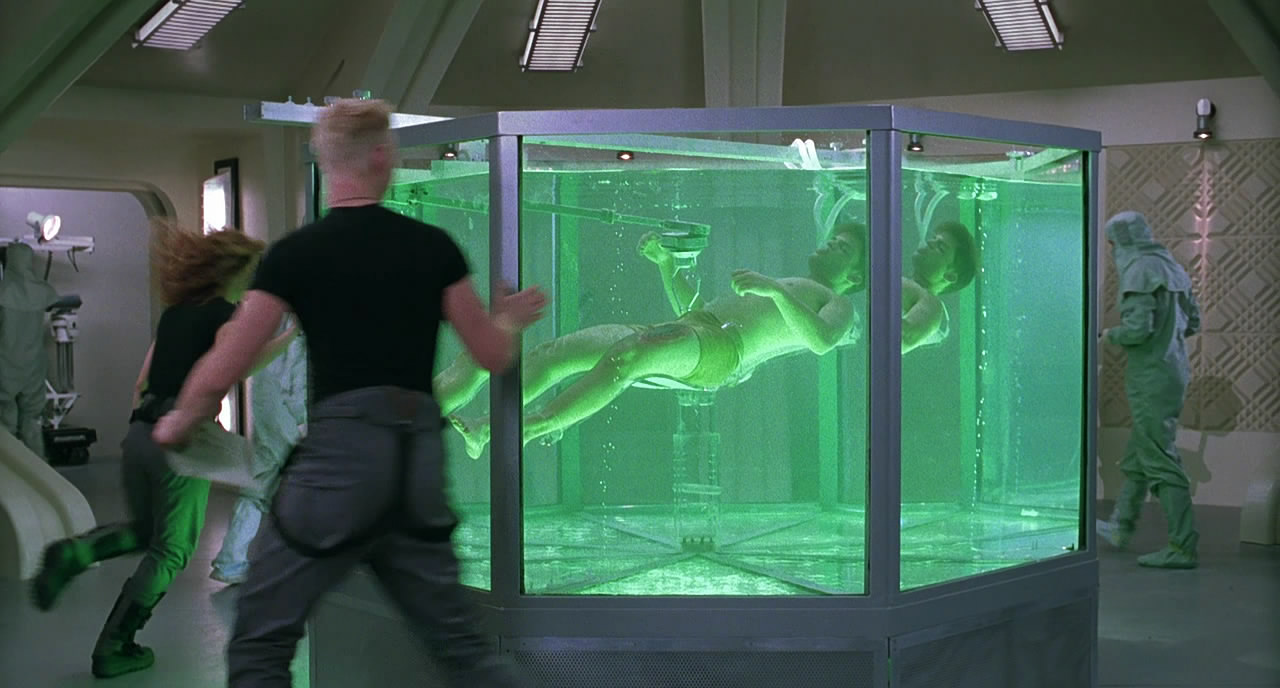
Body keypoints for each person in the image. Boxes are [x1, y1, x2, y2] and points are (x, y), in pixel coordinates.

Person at [150, 98, 546, 688]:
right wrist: (509, 319)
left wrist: (180, 420)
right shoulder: (433, 247)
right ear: (382, 156)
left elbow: (223, 365)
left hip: (339, 463)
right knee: (462, 648)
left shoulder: (296, 254)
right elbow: (492, 354)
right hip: (415, 462)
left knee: (261, 641)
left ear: (325, 160)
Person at [440, 219, 978, 458]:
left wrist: (773, 290)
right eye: (832, 239)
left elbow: (819, 342)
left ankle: (516, 430)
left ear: (857, 275)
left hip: (724, 353)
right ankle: (492, 425)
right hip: (698, 330)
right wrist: (666, 264)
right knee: (554, 353)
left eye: (841, 248)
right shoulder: (792, 283)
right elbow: (690, 313)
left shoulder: (835, 304)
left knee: (626, 359)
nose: (827, 246)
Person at [29, 221, 296, 679]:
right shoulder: (224, 316)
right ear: (235, 270)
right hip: (182, 442)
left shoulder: (175, 314)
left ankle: (77, 552)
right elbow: (241, 364)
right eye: (252, 269)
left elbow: (141, 382)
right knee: (172, 551)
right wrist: (290, 335)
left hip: (140, 433)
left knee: (144, 531)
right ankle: (116, 645)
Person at [1096, 211, 1201, 569]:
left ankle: (1182, 546)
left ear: (1118, 242)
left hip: (1151, 376)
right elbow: (1193, 322)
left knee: (1159, 458)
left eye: (1111, 244)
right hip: (1173, 370)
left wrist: (1108, 336)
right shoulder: (1172, 267)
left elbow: (1138, 330)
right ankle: (1121, 526)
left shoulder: (1139, 270)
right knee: (1141, 453)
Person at [210, 322, 308, 585]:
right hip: (283, 416)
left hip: (268, 412)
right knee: (299, 485)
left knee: (257, 490)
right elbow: (294, 384)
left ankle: (230, 561)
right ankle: (291, 562)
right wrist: (303, 421)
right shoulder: (294, 329)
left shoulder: (271, 321)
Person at [0, 242, 60, 457]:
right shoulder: (42, 292)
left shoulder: (3, 292)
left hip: (6, 363)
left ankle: (10, 471)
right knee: (33, 421)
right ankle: (38, 469)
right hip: (34, 364)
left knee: (5, 422)